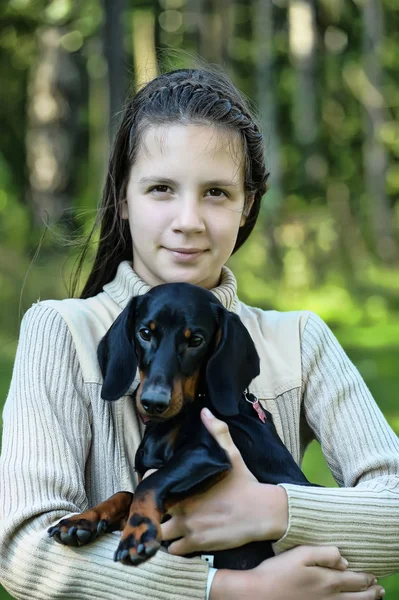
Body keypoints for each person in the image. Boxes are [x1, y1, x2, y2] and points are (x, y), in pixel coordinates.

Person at [0, 68, 398, 600]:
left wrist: (268, 511)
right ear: (123, 198)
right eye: (161, 188)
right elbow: (26, 552)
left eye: (215, 192)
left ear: (247, 204)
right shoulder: (62, 332)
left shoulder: (299, 338)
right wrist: (232, 590)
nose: (188, 220)